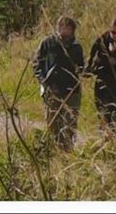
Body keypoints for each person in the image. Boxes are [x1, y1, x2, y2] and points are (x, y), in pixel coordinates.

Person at [33, 16, 85, 151]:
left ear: (73, 30)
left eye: (68, 28)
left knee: (69, 124)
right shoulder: (48, 43)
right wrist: (44, 81)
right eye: (62, 27)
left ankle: (67, 151)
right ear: (58, 28)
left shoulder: (76, 47)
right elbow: (37, 63)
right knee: (52, 124)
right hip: (52, 90)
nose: (65, 31)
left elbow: (81, 68)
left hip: (71, 91)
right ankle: (53, 152)